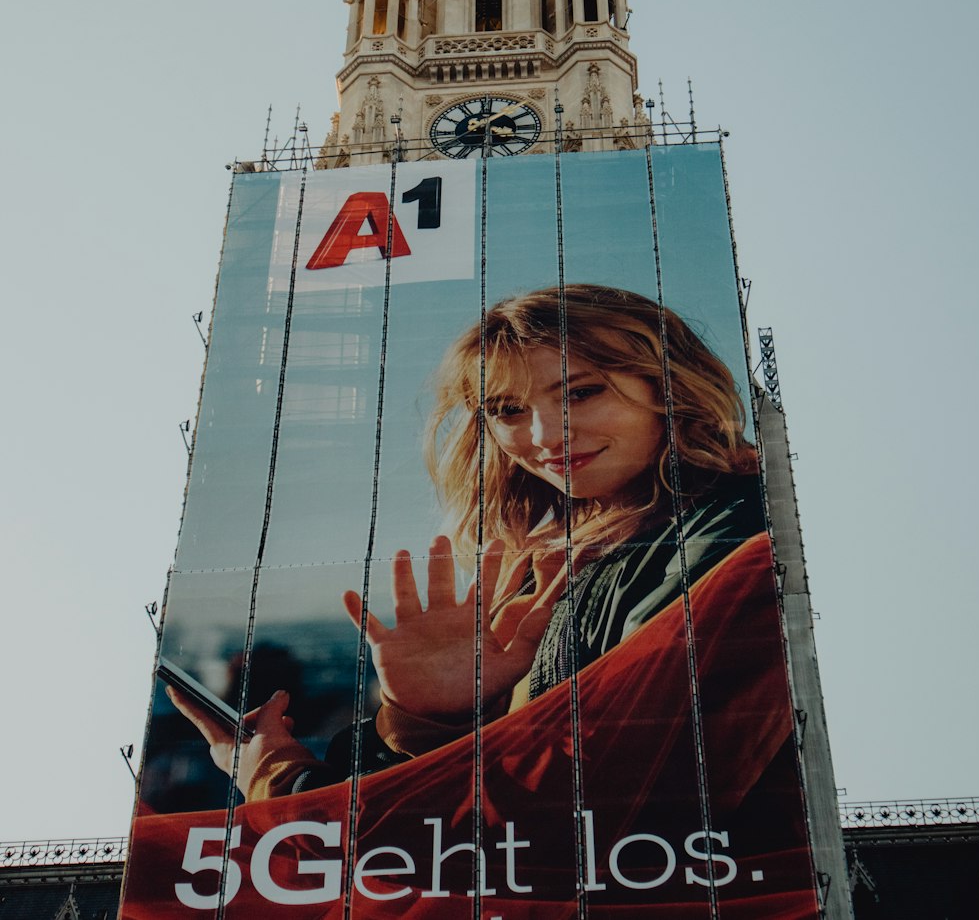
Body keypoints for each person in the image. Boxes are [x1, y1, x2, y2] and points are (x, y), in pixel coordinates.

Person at [168, 284, 766, 799]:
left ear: (668, 385)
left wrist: (278, 777)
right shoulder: (544, 568)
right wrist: (428, 718)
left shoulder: (731, 531)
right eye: (506, 409)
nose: (543, 435)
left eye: (582, 392)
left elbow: (562, 808)